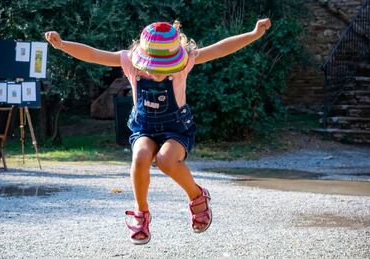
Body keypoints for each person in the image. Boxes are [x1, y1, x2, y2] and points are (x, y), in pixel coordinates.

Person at [45, 18, 271, 245]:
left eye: (166, 68)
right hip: (144, 127)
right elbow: (94, 54)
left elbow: (221, 48)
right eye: (154, 68)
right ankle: (141, 212)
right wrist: (63, 44)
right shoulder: (128, 61)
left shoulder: (186, 61)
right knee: (141, 156)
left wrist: (253, 34)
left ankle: (197, 196)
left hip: (176, 128)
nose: (158, 74)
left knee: (166, 160)